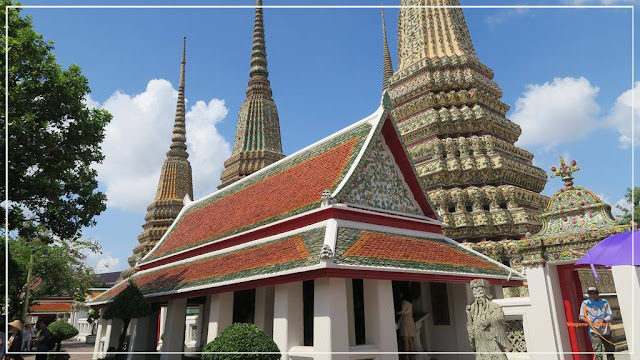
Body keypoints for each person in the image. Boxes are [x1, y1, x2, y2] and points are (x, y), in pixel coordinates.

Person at [466, 279, 510, 360]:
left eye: (480, 292)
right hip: (480, 342)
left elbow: (500, 319)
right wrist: (469, 317)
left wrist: (489, 321)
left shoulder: (495, 307)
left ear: (485, 292)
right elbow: (470, 327)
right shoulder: (472, 309)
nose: (478, 296)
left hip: (492, 340)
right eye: (475, 293)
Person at [579, 287, 615, 360]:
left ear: (597, 294)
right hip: (594, 331)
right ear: (588, 294)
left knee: (610, 351)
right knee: (598, 351)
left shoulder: (604, 302)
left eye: (594, 293)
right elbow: (581, 316)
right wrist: (591, 322)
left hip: (606, 330)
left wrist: (604, 321)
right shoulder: (585, 303)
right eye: (590, 293)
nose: (593, 295)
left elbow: (610, 315)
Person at [396, 292, 415, 360]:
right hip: (411, 320)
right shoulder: (410, 303)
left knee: (405, 339)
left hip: (405, 320)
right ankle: (412, 357)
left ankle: (407, 357)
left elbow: (402, 311)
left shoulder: (404, 302)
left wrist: (396, 312)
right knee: (410, 339)